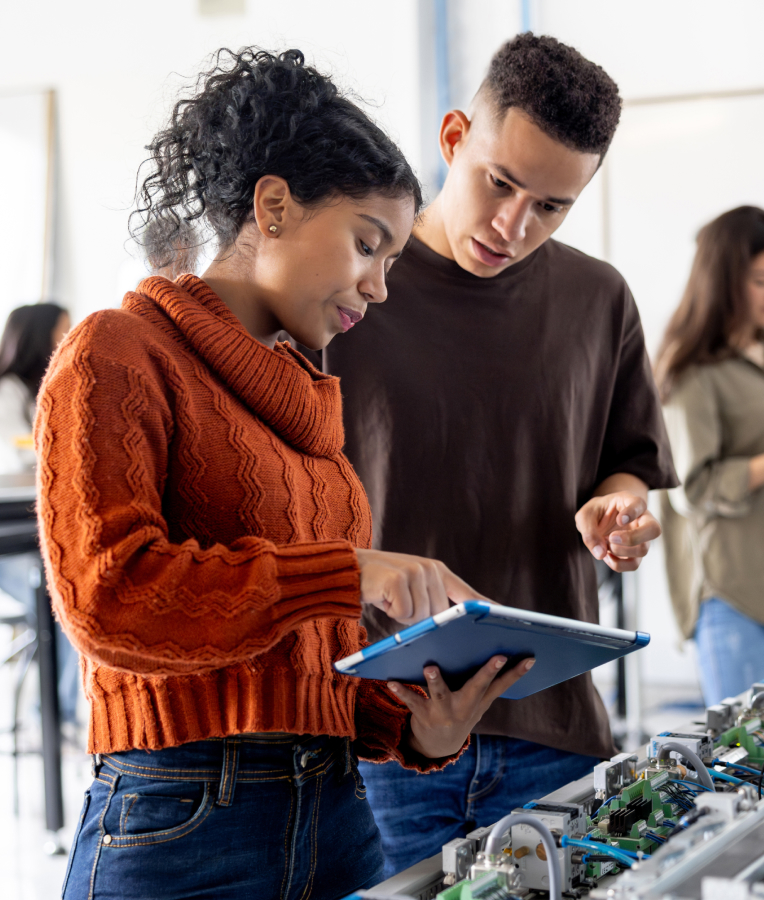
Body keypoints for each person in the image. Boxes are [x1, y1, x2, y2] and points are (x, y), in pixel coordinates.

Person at [38, 48, 530, 900]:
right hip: (180, 819)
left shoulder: (307, 404)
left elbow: (306, 660)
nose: (379, 287)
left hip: (339, 813)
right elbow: (107, 596)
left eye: (392, 260)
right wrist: (345, 574)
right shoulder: (116, 354)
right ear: (272, 208)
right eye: (367, 245)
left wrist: (414, 725)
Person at [317, 33, 676, 877]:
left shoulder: (597, 298)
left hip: (553, 728)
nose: (514, 225)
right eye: (499, 183)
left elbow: (629, 463)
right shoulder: (350, 287)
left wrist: (619, 511)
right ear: (452, 139)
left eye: (550, 206)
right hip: (379, 730)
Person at [655, 207, 764, 708]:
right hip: (731, 593)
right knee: (752, 759)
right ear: (727, 280)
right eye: (762, 279)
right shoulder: (692, 369)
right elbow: (692, 488)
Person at [0, 302, 69, 474]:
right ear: (41, 336)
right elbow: (20, 452)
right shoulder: (9, 389)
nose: (70, 339)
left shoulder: (53, 386)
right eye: (65, 330)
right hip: (18, 491)